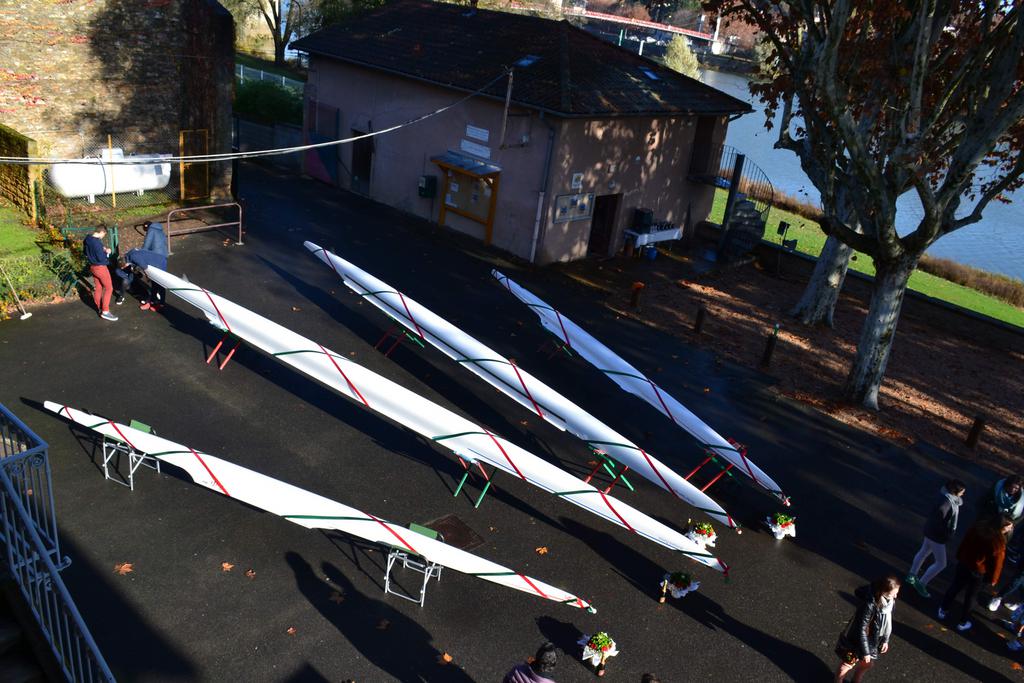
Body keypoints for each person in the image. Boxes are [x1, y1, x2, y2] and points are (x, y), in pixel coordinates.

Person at [939, 513, 1014, 632]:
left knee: (955, 587)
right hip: (979, 572)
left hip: (964, 563)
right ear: (1002, 526)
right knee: (971, 597)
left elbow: (965, 542)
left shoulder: (978, 527)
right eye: (1008, 527)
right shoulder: (999, 542)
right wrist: (993, 579)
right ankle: (962, 622)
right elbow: (997, 564)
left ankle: (943, 609)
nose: (1010, 529)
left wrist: (959, 555)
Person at [906, 479, 966, 597]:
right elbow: (939, 521)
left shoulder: (945, 497)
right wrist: (945, 535)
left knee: (923, 552)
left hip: (930, 532)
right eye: (962, 491)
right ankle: (921, 584)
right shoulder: (947, 503)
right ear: (955, 491)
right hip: (937, 536)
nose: (963, 494)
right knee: (941, 563)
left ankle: (912, 575)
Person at [834, 575, 900, 683]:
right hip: (857, 640)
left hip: (873, 640)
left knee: (867, 664)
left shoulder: (890, 602)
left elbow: (887, 624)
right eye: (891, 594)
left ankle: (856, 680)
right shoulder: (870, 604)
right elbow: (862, 629)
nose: (895, 597)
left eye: (896, 593)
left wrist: (885, 640)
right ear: (882, 591)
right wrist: (865, 652)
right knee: (846, 665)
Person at [115, 246, 167, 311]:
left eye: (123, 267)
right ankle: (152, 301)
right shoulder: (128, 255)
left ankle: (162, 304)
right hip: (155, 259)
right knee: (154, 284)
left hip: (159, 263)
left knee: (159, 284)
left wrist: (148, 277)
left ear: (125, 265)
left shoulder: (134, 258)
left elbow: (145, 268)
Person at [83, 226, 117, 321]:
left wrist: (103, 250)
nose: (103, 237)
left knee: (98, 287)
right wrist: (107, 253)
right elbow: (101, 259)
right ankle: (105, 311)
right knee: (109, 288)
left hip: (92, 266)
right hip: (101, 267)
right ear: (102, 232)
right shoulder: (97, 243)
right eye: (104, 234)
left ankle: (99, 307)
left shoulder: (87, 239)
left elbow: (85, 252)